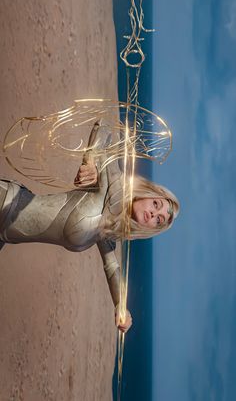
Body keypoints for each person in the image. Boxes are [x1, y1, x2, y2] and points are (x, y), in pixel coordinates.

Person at [0, 120, 180, 333]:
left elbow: (112, 268)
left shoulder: (108, 231)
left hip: (5, 235)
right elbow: (104, 125)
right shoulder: (113, 183)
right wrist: (91, 161)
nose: (153, 213)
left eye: (158, 220)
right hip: (7, 202)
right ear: (150, 194)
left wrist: (121, 306)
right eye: (156, 204)